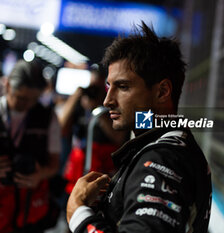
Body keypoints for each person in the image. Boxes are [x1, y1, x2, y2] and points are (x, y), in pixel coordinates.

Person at [66, 22, 212, 233]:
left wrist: (78, 213)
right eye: (109, 86)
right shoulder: (168, 144)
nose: (108, 100)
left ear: (162, 92)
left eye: (123, 87)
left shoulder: (162, 160)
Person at [0, 60, 61, 233]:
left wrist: (39, 175)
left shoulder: (47, 117)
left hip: (30, 208)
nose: (27, 105)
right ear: (7, 85)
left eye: (33, 100)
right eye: (21, 98)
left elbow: (54, 164)